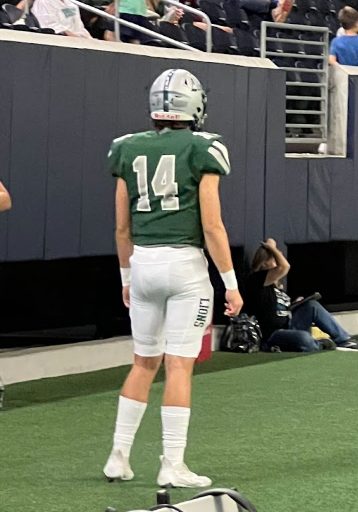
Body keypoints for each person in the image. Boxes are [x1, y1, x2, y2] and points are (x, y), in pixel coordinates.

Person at [103, 69, 244, 488]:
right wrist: (232, 285)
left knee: (143, 363)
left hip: (143, 264)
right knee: (179, 366)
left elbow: (122, 228)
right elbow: (213, 225)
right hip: (183, 266)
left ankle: (118, 456)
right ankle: (172, 463)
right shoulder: (204, 147)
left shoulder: (126, 148)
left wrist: (127, 275)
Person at [243, 240, 358, 352]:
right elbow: (285, 267)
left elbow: (277, 310)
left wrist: (295, 305)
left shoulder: (277, 287)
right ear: (265, 263)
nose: (278, 262)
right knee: (304, 339)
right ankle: (319, 344)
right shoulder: (257, 279)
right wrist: (272, 248)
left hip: (288, 326)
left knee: (311, 305)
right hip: (272, 334)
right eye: (274, 259)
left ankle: (345, 340)